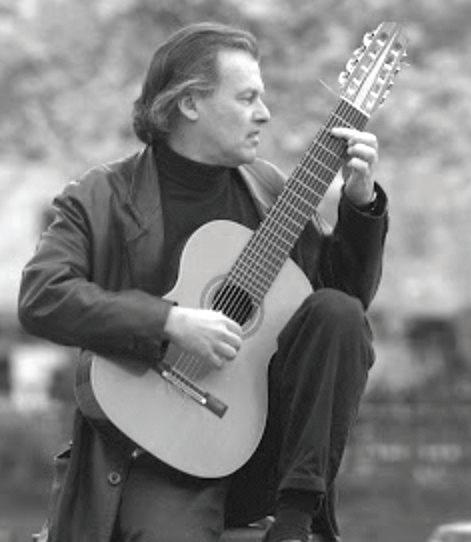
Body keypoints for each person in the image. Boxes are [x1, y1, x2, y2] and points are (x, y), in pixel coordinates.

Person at [18, 21, 388, 542]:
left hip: (269, 451)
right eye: (247, 98)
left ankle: (297, 523)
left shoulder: (270, 190)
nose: (265, 113)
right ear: (190, 103)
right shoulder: (102, 197)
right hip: (160, 450)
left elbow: (342, 312)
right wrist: (169, 322)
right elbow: (42, 295)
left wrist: (360, 203)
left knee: (338, 313)